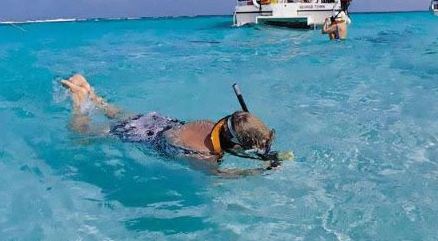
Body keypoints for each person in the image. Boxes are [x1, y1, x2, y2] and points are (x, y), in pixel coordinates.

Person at [60, 74, 282, 173]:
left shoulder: (210, 125)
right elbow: (221, 177)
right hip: (144, 135)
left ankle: (91, 93)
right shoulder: (205, 157)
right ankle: (79, 100)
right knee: (80, 134)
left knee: (118, 113)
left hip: (155, 121)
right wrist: (260, 171)